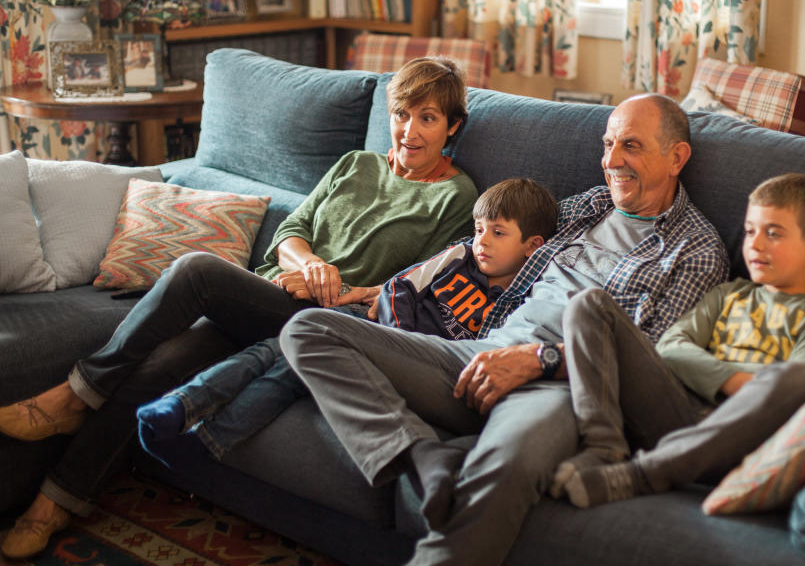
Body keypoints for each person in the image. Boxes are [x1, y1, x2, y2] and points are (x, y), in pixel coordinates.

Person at [0, 56, 478, 560]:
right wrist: (311, 263)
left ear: (453, 126)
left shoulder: (456, 196)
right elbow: (292, 231)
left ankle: (75, 395)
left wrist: (342, 292)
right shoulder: (355, 164)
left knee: (197, 270)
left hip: (331, 323)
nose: (410, 130)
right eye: (402, 113)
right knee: (153, 371)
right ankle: (53, 504)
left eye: (427, 118)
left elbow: (423, 287)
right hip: (273, 295)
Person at [278, 94, 730, 565]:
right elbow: (478, 246)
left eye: (631, 146)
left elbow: (647, 361)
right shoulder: (589, 206)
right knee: (309, 331)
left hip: (559, 386)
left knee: (500, 473)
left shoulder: (695, 250)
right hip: (481, 348)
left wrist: (536, 361)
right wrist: (384, 288)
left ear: (676, 157)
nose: (611, 161)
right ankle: (419, 456)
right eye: (609, 143)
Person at [134, 178, 557, 467]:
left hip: (406, 358)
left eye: (497, 233)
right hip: (374, 324)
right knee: (276, 348)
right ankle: (184, 404)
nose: (481, 240)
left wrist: (398, 347)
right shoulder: (460, 256)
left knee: (290, 370)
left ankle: (208, 442)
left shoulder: (519, 300)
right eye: (479, 228)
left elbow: (477, 352)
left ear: (532, 247)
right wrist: (392, 330)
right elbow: (401, 286)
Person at [552, 173, 805, 508]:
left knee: (792, 379)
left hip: (742, 439)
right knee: (588, 304)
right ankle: (603, 448)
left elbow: (802, 389)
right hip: (676, 411)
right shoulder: (729, 294)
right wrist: (738, 382)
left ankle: (642, 475)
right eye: (751, 231)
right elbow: (670, 348)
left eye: (774, 233)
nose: (754, 245)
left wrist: (739, 386)